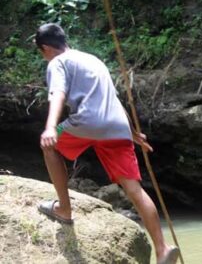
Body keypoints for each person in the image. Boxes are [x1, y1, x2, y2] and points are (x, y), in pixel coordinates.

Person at [35, 23, 179, 264]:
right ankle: (162, 248)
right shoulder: (93, 60)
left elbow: (58, 92)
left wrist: (51, 127)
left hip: (88, 122)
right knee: (134, 190)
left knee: (49, 146)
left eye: (41, 52)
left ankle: (64, 209)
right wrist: (132, 133)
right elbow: (113, 99)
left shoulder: (57, 63)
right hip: (117, 127)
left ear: (47, 48)